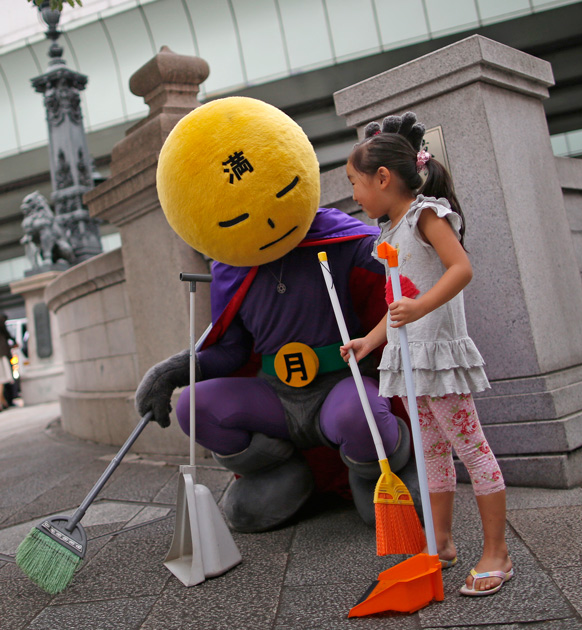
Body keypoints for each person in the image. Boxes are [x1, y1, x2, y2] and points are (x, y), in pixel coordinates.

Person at [135, 96, 418, 534]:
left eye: (283, 191)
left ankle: (380, 472)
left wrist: (401, 180)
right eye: (238, 217)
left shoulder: (335, 235)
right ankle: (280, 473)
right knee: (196, 406)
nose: (266, 223)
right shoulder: (231, 267)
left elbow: (401, 253)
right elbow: (230, 351)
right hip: (274, 395)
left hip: (337, 382)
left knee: (360, 412)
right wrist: (175, 371)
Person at [340, 113, 511, 596]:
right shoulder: (389, 232)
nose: (354, 194)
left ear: (383, 178)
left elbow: (461, 269)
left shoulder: (424, 216)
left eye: (354, 183)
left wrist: (419, 307)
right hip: (411, 360)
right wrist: (370, 340)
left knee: (471, 449)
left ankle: (498, 552)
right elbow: (400, 303)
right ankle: (441, 544)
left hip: (437, 355)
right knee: (433, 454)